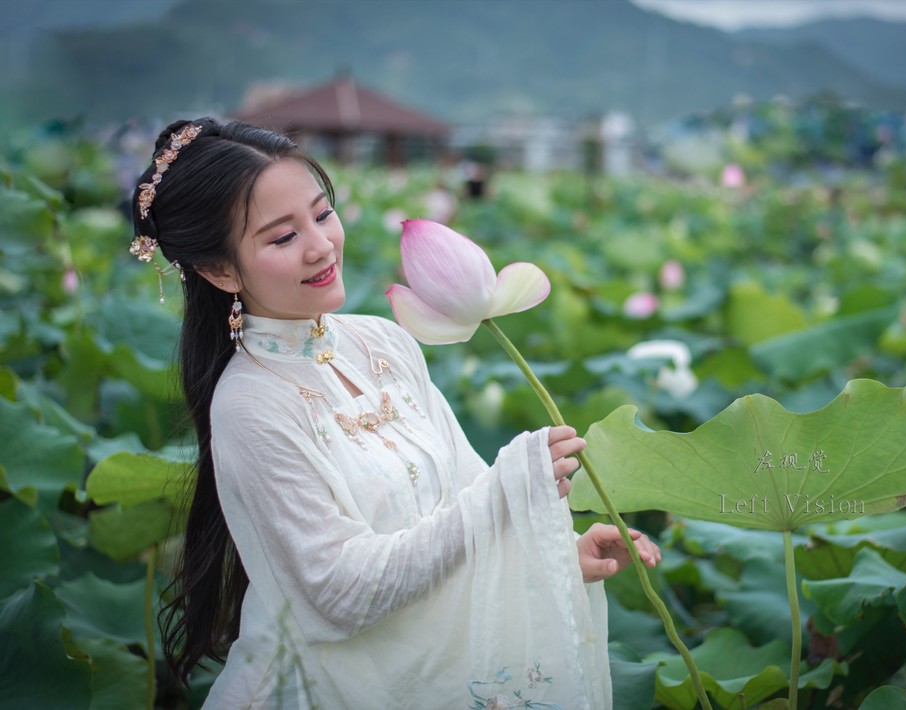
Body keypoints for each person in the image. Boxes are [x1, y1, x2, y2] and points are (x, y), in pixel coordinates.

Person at [129, 117, 660, 709]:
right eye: (282, 238)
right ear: (219, 270)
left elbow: (464, 497)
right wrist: (508, 491)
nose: (321, 244)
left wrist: (559, 555)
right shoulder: (249, 404)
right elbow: (340, 595)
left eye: (322, 213)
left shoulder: (386, 342)